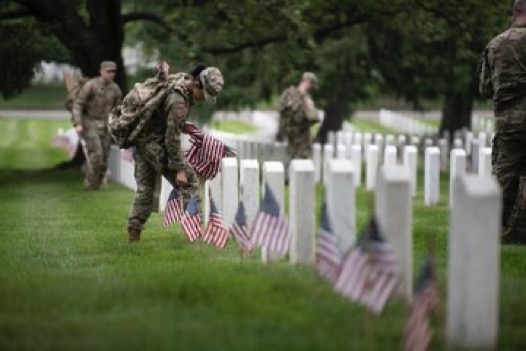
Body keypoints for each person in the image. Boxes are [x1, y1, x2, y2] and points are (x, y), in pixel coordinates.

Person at [127, 63, 224, 243]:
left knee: (145, 189)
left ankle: (134, 236)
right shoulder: (178, 101)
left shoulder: (180, 80)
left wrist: (183, 125)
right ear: (196, 84)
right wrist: (179, 169)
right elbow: (172, 139)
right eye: (204, 94)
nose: (203, 99)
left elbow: (164, 119)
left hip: (142, 141)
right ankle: (194, 233)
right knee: (190, 182)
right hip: (156, 144)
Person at [479, 0, 526, 244]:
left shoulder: (496, 45)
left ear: (514, 13)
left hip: (509, 123)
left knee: (505, 176)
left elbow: (485, 88)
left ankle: (498, 231)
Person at [71, 61, 122, 190]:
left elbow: (119, 108)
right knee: (96, 154)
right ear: (101, 71)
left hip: (106, 125)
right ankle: (89, 185)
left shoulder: (115, 89)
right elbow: (77, 105)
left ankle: (97, 184)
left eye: (113, 72)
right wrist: (78, 123)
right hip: (90, 123)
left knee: (104, 157)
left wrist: (118, 123)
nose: (111, 74)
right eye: (108, 71)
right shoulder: (90, 86)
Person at [276, 72, 320, 164]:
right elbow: (313, 118)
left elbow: (280, 110)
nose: (311, 88)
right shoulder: (306, 99)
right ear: (308, 83)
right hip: (301, 139)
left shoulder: (287, 93)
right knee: (301, 163)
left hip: (289, 136)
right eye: (312, 85)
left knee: (291, 160)